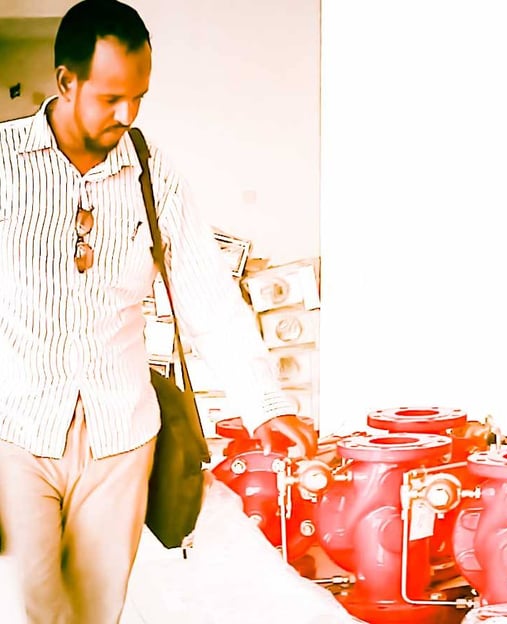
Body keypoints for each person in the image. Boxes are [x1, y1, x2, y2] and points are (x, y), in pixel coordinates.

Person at [0, 0, 318, 622]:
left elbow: (210, 300)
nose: (128, 114)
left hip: (120, 435)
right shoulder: (5, 164)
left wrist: (267, 405)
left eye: (139, 97)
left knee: (94, 612)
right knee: (35, 607)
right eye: (111, 98)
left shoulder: (154, 175)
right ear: (66, 81)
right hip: (17, 429)